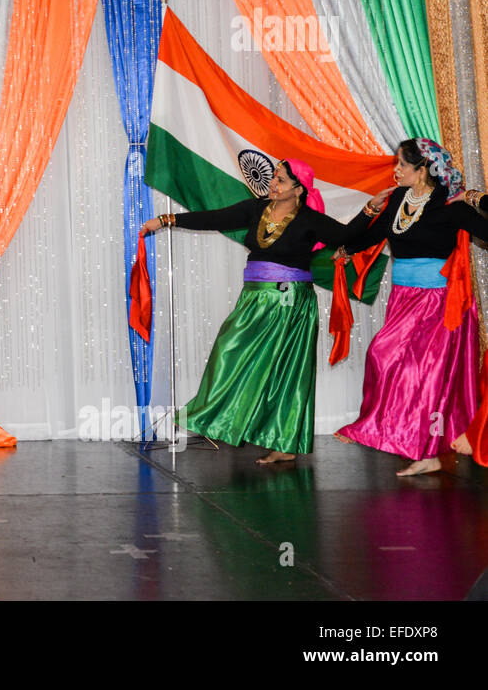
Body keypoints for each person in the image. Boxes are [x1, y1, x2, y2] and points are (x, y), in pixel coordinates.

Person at [141, 160, 349, 464]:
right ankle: (211, 413)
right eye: (274, 178)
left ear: (299, 189)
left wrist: (369, 216)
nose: (273, 184)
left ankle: (285, 444)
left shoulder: (310, 220)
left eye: (281, 181)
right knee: (228, 351)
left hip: (290, 304)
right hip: (254, 300)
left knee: (287, 373)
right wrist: (167, 219)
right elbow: (215, 217)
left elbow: (350, 236)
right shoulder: (256, 209)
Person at [336, 139, 488, 476]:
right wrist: (367, 214)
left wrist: (477, 199)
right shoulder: (396, 202)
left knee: (428, 377)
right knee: (381, 355)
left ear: (423, 170)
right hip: (404, 301)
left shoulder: (451, 207)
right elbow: (364, 237)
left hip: (440, 304)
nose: (396, 170)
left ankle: (429, 451)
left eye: (403, 165)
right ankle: (390, 430)